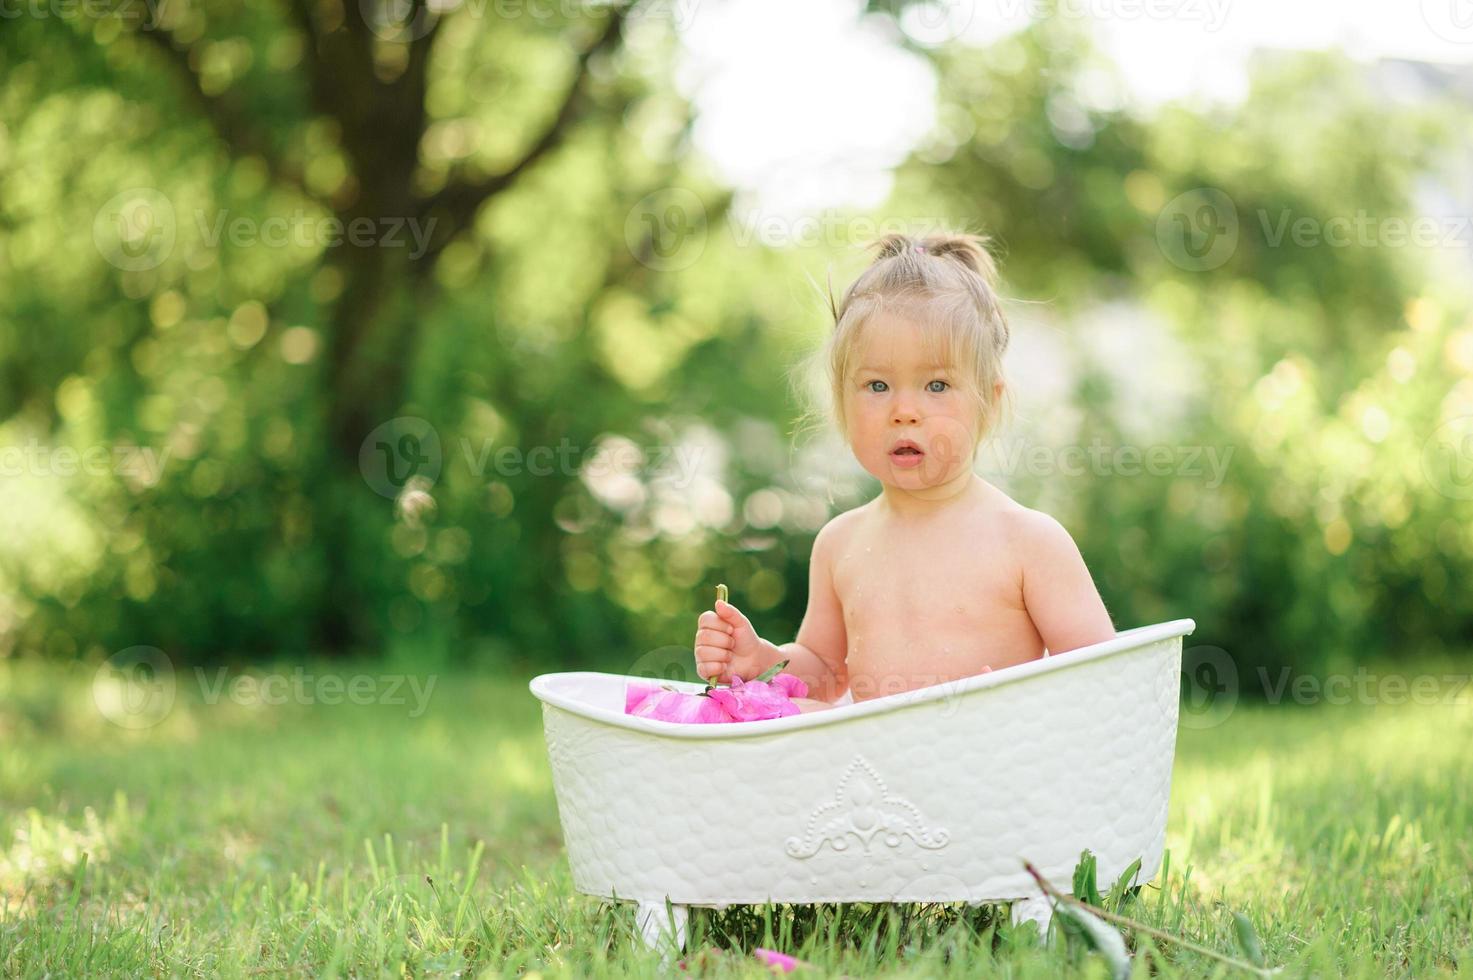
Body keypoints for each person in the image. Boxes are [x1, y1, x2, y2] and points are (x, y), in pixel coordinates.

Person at [693, 231, 1115, 712]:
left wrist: (1015, 701)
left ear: (989, 404)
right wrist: (761, 658)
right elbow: (827, 674)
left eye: (937, 384)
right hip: (881, 778)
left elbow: (1099, 675)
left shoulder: (1027, 541)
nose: (904, 410)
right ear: (840, 403)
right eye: (877, 385)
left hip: (996, 772)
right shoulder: (840, 543)